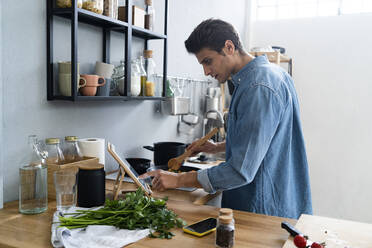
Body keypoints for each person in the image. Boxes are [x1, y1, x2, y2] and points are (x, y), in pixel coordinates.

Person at [140, 18, 312, 219]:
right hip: (282, 201)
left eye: (208, 61)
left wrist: (178, 180)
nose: (206, 71)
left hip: (262, 210)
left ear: (229, 47)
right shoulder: (273, 75)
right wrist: (218, 147)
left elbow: (240, 171)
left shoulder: (257, 88)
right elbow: (266, 139)